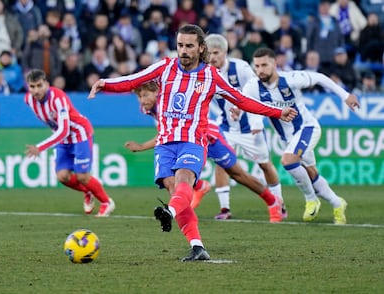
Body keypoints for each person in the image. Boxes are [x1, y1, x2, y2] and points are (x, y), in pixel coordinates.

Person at [88, 24, 297, 262]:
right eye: (180, 45)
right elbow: (133, 80)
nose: (184, 51)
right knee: (175, 189)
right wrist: (104, 83)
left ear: (200, 48)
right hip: (166, 143)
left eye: (189, 46)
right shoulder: (165, 68)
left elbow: (242, 101)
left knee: (189, 179)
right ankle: (197, 246)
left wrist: (276, 112)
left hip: (194, 139)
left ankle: (172, 210)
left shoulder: (210, 75)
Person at [125, 82, 284, 223]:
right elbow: (166, 134)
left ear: (157, 92)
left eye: (145, 95)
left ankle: (272, 202)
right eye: (139, 96)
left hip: (208, 136)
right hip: (186, 140)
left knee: (238, 175)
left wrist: (141, 146)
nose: (142, 100)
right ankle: (197, 191)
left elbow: (165, 135)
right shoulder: (148, 108)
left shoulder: (167, 104)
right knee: (173, 173)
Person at [243, 47, 360, 225]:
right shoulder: (252, 86)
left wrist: (345, 95)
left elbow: (320, 78)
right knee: (311, 172)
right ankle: (338, 203)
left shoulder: (291, 79)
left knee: (288, 160)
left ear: (274, 64)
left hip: (307, 128)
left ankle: (311, 198)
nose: (260, 70)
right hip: (288, 138)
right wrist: (253, 122)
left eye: (264, 65)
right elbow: (248, 105)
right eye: (257, 66)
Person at [204, 33, 286, 220]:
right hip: (225, 127)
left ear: (225, 52)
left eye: (216, 52)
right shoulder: (206, 72)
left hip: (250, 127)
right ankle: (225, 209)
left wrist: (256, 120)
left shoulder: (240, 68)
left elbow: (257, 91)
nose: (213, 57)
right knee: (221, 162)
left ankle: (279, 202)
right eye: (209, 53)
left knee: (265, 165)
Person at [24, 69, 115, 218]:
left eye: (39, 85)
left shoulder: (58, 98)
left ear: (46, 84)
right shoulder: (28, 100)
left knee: (82, 176)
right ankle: (88, 191)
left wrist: (40, 147)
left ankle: (107, 203)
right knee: (62, 176)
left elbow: (64, 129)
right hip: (63, 139)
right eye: (32, 87)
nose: (36, 90)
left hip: (79, 134)